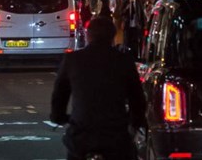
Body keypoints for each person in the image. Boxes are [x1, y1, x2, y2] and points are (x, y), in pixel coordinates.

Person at [50, 15, 147, 160]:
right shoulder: (123, 61)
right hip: (115, 136)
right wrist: (136, 121)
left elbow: (59, 94)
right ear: (113, 37)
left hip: (81, 135)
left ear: (88, 36)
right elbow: (137, 97)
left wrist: (59, 117)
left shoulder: (73, 60)